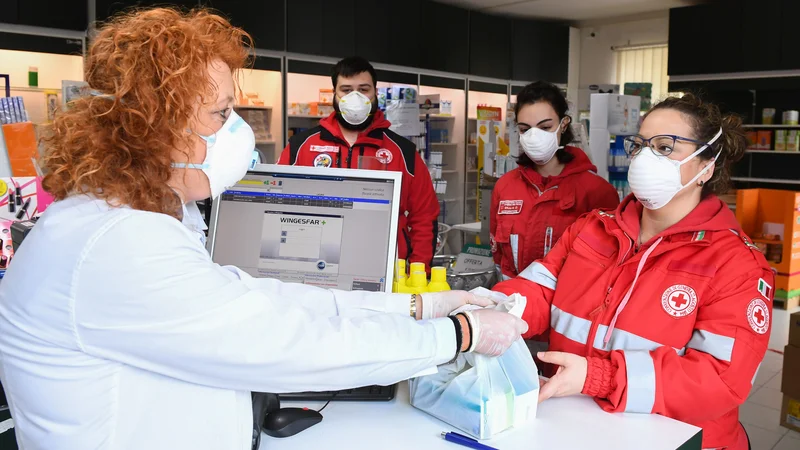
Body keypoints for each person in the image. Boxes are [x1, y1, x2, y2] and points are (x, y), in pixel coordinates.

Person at [0, 9, 528, 450]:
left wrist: (417, 308)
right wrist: (458, 335)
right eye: (219, 112)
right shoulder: (118, 243)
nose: (238, 131)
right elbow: (289, 344)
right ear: (155, 127)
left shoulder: (140, 214)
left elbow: (254, 297)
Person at [492, 94, 772, 450]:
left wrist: (600, 377)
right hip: (575, 428)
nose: (645, 157)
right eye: (640, 145)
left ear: (707, 165)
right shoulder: (592, 229)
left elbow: (719, 380)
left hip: (675, 441)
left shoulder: (736, 264)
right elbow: (541, 291)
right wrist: (487, 311)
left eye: (665, 147)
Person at [277, 57, 440, 272]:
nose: (355, 98)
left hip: (384, 270)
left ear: (375, 94)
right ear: (334, 94)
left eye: (364, 89)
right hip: (314, 268)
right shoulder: (301, 146)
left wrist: (418, 272)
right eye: (346, 90)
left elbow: (424, 217)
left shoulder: (402, 151)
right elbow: (277, 206)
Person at [491, 81, 619, 281]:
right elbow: (498, 256)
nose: (534, 136)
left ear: (564, 124)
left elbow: (607, 266)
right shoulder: (506, 187)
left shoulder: (596, 191)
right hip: (512, 301)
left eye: (545, 127)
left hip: (565, 305)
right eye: (525, 129)